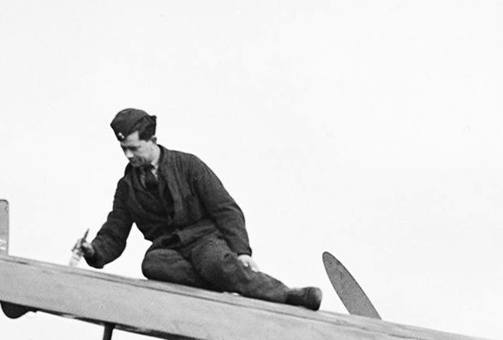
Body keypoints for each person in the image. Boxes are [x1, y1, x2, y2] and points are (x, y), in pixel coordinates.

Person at [75, 108, 323, 311]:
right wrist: (94, 250)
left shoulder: (189, 166)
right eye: (124, 150)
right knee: (152, 264)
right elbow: (115, 230)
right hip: (169, 248)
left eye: (134, 148)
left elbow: (225, 208)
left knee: (215, 263)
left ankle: (288, 295)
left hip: (204, 240)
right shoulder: (127, 187)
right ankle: (225, 282)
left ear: (152, 141)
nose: (128, 155)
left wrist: (241, 251)